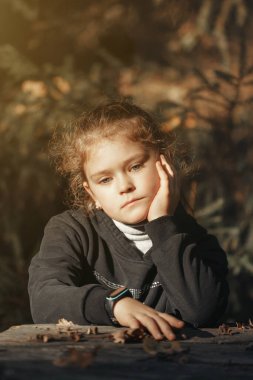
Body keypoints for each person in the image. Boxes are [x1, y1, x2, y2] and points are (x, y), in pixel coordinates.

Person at [28, 101, 229, 341]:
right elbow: (44, 298)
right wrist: (114, 305)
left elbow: (203, 312)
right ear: (92, 194)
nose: (125, 186)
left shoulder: (193, 241)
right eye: (105, 180)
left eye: (135, 166)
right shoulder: (72, 231)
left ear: (166, 164)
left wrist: (162, 224)